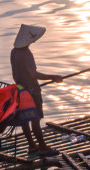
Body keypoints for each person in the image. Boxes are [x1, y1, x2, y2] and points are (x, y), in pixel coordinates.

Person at [10, 24, 64, 156]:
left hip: (21, 90)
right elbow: (33, 74)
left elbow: (15, 73)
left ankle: (32, 146)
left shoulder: (14, 52)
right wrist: (53, 77)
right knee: (35, 119)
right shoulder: (26, 53)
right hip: (32, 91)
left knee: (24, 118)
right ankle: (43, 148)